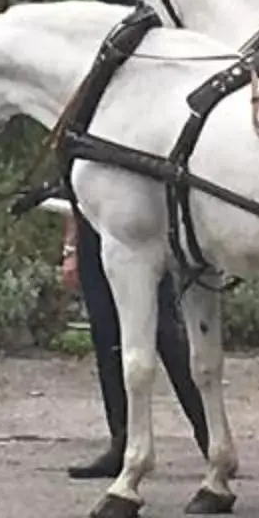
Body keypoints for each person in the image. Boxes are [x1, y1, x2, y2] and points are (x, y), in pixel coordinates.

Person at [58, 204, 212, 478]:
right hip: (92, 226)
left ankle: (210, 435)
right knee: (105, 333)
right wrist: (71, 248)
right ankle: (122, 440)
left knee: (165, 331)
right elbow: (73, 196)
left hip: (137, 230)